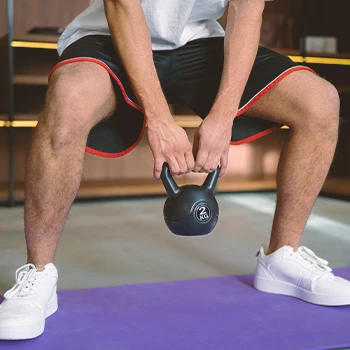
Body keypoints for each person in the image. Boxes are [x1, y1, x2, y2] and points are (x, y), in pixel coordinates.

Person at [1, 0, 350, 341]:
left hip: (203, 43)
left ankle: (282, 257)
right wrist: (158, 118)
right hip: (110, 36)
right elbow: (122, 5)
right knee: (69, 98)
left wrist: (224, 116)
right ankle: (39, 274)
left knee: (319, 101)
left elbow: (247, 8)